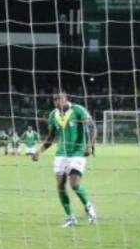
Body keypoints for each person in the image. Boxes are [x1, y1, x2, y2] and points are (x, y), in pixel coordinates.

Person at [33, 89, 96, 227]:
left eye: (59, 98)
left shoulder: (78, 110)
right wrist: (39, 151)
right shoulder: (52, 115)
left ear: (65, 98)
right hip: (61, 154)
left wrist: (89, 146)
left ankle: (89, 207)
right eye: (54, 99)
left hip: (77, 152)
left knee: (74, 184)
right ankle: (70, 217)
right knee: (60, 186)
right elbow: (51, 137)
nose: (56, 101)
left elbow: (92, 127)